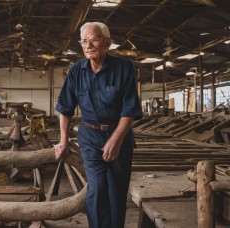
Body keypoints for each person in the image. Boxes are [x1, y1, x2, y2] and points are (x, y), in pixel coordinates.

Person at [54, 22, 143, 228]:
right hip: (90, 136)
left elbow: (129, 109)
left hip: (120, 135)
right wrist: (62, 141)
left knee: (118, 189)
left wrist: (116, 139)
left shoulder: (123, 68)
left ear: (108, 43)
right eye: (84, 41)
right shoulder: (76, 71)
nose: (88, 45)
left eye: (94, 39)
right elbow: (65, 109)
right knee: (98, 186)